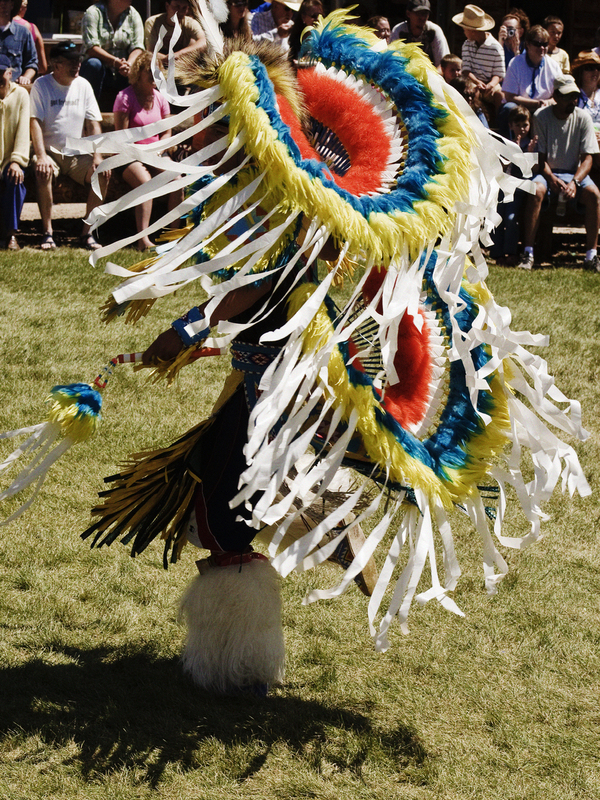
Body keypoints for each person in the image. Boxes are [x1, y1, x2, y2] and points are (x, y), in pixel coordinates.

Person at [30, 40, 110, 251]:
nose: (77, 65)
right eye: (72, 61)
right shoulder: (41, 85)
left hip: (76, 156)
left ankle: (87, 233)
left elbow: (93, 124)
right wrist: (40, 156)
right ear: (56, 65)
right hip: (50, 152)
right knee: (42, 172)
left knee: (101, 173)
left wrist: (97, 157)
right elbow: (34, 123)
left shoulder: (84, 85)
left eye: (79, 60)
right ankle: (47, 233)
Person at [517, 74, 600, 272]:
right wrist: (551, 178)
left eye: (574, 96)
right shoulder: (541, 116)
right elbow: (540, 157)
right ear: (555, 96)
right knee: (536, 190)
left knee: (595, 195)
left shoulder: (583, 117)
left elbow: (588, 157)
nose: (572, 100)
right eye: (567, 96)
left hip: (574, 173)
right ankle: (527, 253)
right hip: (548, 172)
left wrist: (575, 182)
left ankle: (591, 256)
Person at [113, 50, 177, 250]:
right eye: (150, 71)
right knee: (145, 183)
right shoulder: (124, 97)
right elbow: (120, 137)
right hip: (128, 155)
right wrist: (141, 153)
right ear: (138, 73)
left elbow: (167, 133)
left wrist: (157, 149)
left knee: (177, 178)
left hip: (156, 153)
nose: (155, 76)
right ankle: (143, 240)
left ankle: (173, 237)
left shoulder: (160, 98)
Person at [489, 105, 536, 266]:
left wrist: (527, 153)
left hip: (518, 189)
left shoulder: (531, 144)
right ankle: (497, 253)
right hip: (502, 187)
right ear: (511, 126)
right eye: (518, 125)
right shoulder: (505, 143)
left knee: (511, 218)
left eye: (525, 125)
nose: (522, 129)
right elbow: (499, 167)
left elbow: (529, 171)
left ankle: (511, 252)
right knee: (497, 216)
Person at [498, 24, 563, 136]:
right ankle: (507, 148)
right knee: (508, 109)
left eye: (545, 44)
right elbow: (509, 96)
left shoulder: (554, 66)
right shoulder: (515, 63)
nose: (542, 48)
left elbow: (560, 94)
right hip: (519, 107)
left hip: (544, 108)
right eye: (537, 44)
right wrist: (536, 104)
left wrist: (548, 102)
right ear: (527, 44)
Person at [80, 0, 144, 108]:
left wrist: (128, 64)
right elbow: (91, 47)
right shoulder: (93, 12)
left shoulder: (133, 14)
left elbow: (138, 46)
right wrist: (114, 61)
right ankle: (88, 111)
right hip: (101, 68)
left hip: (123, 69)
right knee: (93, 64)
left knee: (142, 67)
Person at [452, 4, 504, 112]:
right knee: (470, 91)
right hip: (471, 81)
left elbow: (499, 74)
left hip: (490, 84)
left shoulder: (496, 47)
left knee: (500, 94)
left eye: (464, 29)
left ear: (472, 31)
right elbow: (466, 70)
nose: (464, 32)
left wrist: (490, 85)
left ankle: (499, 124)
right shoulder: (466, 44)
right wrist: (476, 82)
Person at [0, 54, 29, 250]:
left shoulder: (21, 95)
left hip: (11, 158)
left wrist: (16, 160)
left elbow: (23, 129)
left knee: (15, 178)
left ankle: (11, 234)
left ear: (9, 73)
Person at [144, 0, 206, 66]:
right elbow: (150, 52)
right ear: (167, 6)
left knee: (193, 41)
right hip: (159, 65)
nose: (180, 12)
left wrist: (179, 54)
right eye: (177, 7)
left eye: (184, 8)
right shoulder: (153, 23)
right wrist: (169, 59)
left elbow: (203, 42)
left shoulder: (191, 24)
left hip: (183, 66)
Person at [389, 0, 449, 68]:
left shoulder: (434, 30)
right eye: (418, 14)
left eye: (425, 14)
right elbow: (392, 61)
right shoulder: (399, 31)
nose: (422, 17)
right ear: (408, 14)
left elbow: (443, 64)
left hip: (431, 74)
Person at [0, 0, 36, 86]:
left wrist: (26, 77)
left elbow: (32, 63)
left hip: (14, 89)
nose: (2, 3)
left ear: (12, 5)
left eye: (6, 1)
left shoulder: (23, 32)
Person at [12, 0, 47, 75]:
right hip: (25, 80)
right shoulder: (33, 28)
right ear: (22, 8)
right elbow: (43, 67)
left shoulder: (4, 26)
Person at [572, 50, 600, 141]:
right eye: (590, 68)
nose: (595, 71)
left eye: (598, 68)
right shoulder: (573, 96)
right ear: (580, 72)